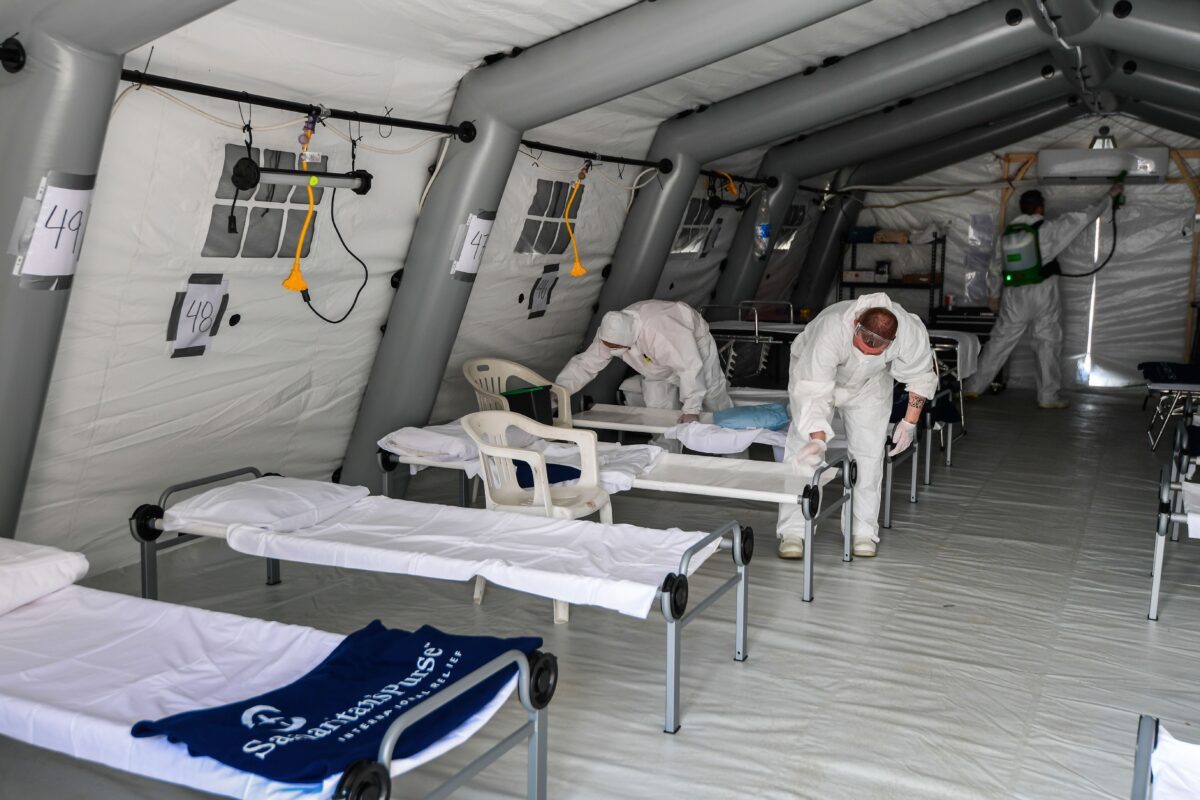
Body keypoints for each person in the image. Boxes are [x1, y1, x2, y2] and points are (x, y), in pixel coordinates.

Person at [777, 294, 937, 559]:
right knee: (804, 451)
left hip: (871, 384)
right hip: (818, 376)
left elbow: (920, 375)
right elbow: (814, 390)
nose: (864, 354)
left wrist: (909, 423)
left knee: (869, 455)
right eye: (862, 347)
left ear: (892, 342)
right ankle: (794, 532)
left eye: (874, 352)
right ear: (855, 324)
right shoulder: (832, 327)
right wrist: (817, 439)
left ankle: (862, 531)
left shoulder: (909, 331)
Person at [964, 184, 1123, 408]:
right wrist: (1109, 196)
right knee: (1047, 343)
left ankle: (972, 387)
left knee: (999, 342)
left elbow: (995, 268)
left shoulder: (1007, 235)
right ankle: (1048, 396)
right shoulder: (1049, 229)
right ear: (1039, 208)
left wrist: (993, 295)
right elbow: (1084, 217)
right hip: (1043, 292)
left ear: (1022, 209)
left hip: (1013, 296)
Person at [556, 300, 733, 421]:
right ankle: (666, 452)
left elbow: (689, 367)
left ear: (630, 339)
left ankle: (734, 448)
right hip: (652, 363)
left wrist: (691, 410)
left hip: (693, 349)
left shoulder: (660, 331)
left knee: (712, 396)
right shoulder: (610, 332)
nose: (609, 350)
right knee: (657, 410)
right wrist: (558, 391)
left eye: (614, 347)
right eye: (607, 346)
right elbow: (586, 364)